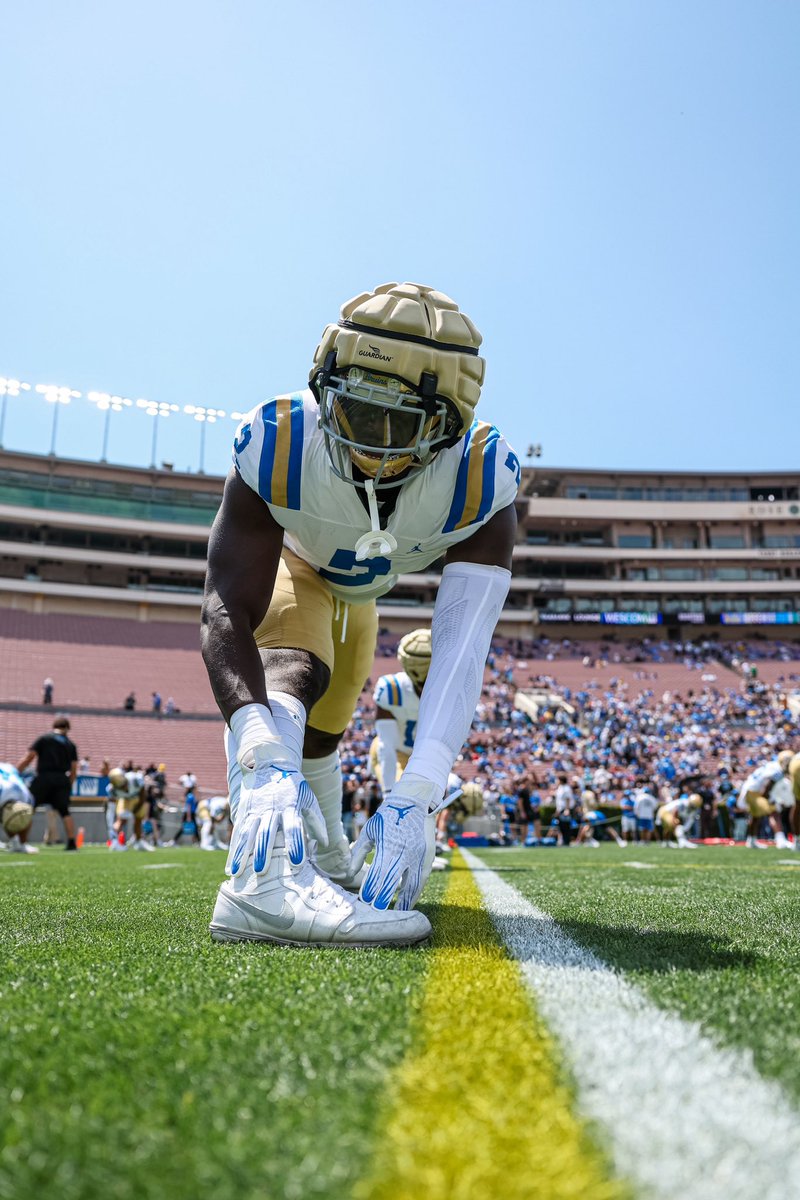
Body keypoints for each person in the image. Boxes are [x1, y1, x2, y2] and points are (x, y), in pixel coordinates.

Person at [200, 281, 518, 946]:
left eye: (396, 421)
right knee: (292, 669)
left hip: (366, 593)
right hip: (301, 562)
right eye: (352, 411)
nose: (368, 442)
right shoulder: (279, 439)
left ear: (449, 424)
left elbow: (461, 651)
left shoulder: (482, 476)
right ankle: (267, 880)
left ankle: (333, 853)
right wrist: (257, 754)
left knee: (328, 731)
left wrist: (421, 789)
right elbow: (226, 604)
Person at [16, 714, 79, 851]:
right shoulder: (70, 745)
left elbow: (29, 757)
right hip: (62, 779)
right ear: (67, 728)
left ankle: (21, 842)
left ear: (54, 727)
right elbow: (74, 770)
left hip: (44, 777)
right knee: (65, 811)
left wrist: (15, 772)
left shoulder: (44, 739)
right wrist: (68, 784)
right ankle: (72, 843)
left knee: (29, 808)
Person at [107, 766, 154, 851]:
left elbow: (143, 793)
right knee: (121, 820)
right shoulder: (112, 790)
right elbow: (112, 804)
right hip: (124, 800)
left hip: (137, 799)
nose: (123, 788)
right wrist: (117, 814)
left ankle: (139, 842)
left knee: (138, 820)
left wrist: (138, 807)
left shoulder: (135, 778)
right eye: (120, 787)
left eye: (124, 785)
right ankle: (114, 842)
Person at [0, 762, 36, 853]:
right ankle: (19, 843)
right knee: (9, 816)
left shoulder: (26, 796)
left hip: (10, 792)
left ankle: (21, 843)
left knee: (23, 814)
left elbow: (29, 813)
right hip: (8, 790)